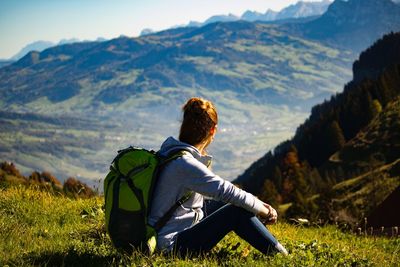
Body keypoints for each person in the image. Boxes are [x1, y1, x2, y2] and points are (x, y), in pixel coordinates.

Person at [148, 97, 288, 256]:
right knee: (236, 210)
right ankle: (282, 256)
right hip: (169, 247)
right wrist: (265, 210)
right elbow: (227, 191)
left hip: (161, 233)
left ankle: (272, 244)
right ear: (212, 130)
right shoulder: (185, 164)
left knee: (226, 203)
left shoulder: (168, 153)